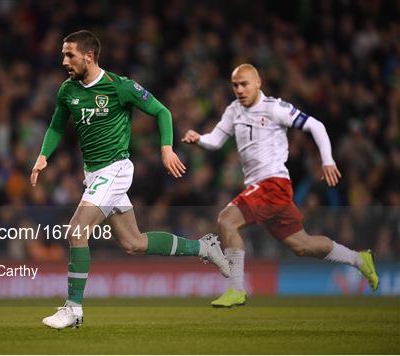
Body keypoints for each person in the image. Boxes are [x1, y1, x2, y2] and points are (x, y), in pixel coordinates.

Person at [30, 30, 231, 329]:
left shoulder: (119, 87)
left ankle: (73, 309)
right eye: (63, 54)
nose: (64, 61)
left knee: (76, 230)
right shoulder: (67, 90)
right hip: (94, 174)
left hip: (116, 170)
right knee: (134, 243)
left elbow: (161, 111)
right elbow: (57, 125)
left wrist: (166, 149)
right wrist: (44, 155)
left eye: (69, 54)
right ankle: (205, 248)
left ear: (89, 56)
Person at [182, 64, 379, 307]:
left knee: (226, 220)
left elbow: (316, 125)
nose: (240, 90)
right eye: (235, 85)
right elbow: (215, 140)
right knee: (303, 245)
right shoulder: (233, 110)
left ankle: (236, 289)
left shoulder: (275, 108)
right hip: (263, 190)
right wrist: (199, 138)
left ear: (258, 83)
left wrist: (327, 161)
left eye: (245, 84)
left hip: (273, 184)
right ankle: (359, 260)